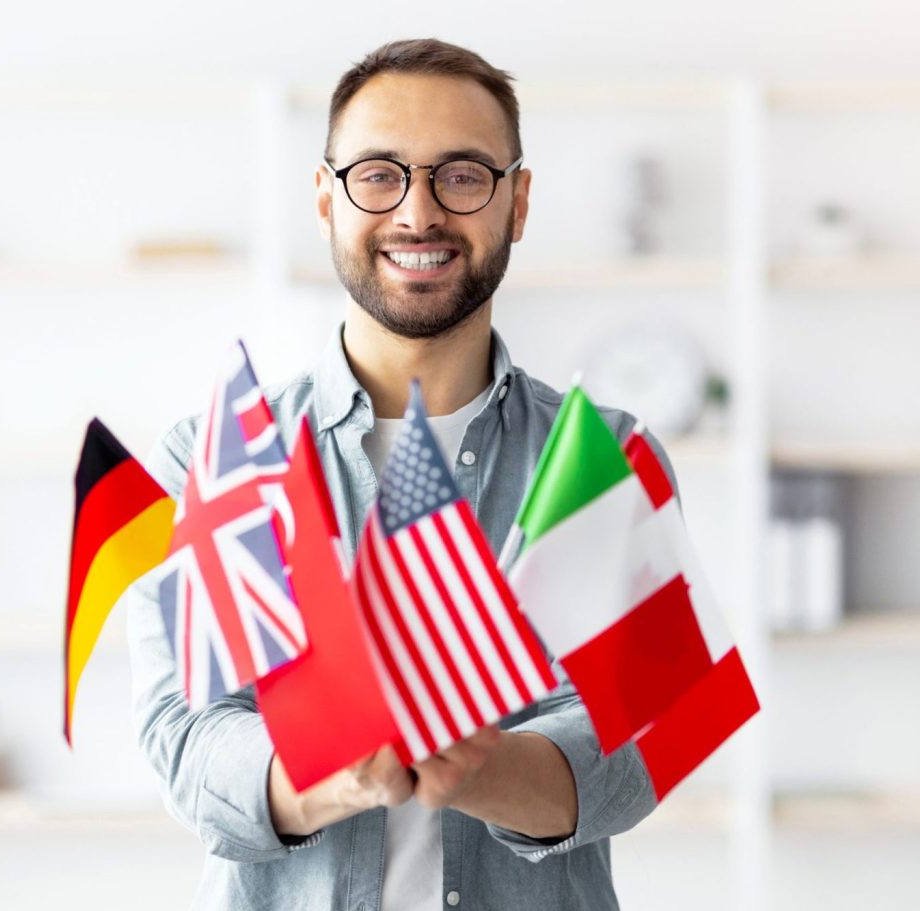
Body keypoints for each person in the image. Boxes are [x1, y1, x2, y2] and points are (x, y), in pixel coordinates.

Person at [128, 37, 674, 911]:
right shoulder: (216, 460)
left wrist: (477, 766)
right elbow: (188, 740)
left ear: (518, 201)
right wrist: (336, 773)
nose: (417, 213)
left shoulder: (603, 459)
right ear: (325, 199)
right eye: (378, 174)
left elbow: (637, 746)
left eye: (462, 175)